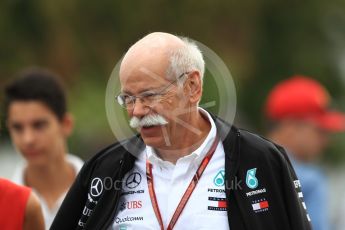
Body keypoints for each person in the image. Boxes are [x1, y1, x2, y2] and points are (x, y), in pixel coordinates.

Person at [51, 32, 311, 230]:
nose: (137, 111)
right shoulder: (104, 168)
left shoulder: (260, 160)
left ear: (192, 87)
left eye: (149, 95)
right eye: (128, 98)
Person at [4, 68, 84, 229]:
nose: (28, 139)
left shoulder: (104, 190)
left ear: (66, 124)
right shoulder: (4, 201)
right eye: (18, 127)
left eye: (39, 125)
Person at [264, 76, 345, 230]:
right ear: (290, 127)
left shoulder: (231, 163)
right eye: (320, 131)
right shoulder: (310, 180)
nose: (326, 141)